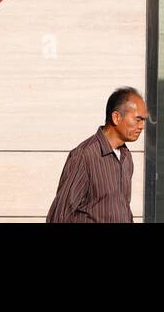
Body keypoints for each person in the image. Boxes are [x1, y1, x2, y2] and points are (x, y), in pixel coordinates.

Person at [46, 86, 147, 223]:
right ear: (116, 117)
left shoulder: (125, 156)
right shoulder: (84, 155)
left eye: (143, 120)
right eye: (138, 119)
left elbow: (122, 210)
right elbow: (60, 216)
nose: (142, 126)